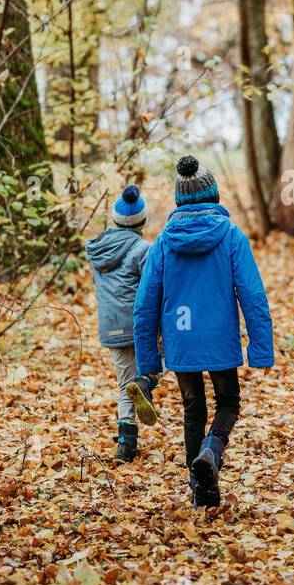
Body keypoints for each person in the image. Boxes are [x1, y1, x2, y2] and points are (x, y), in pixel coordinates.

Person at [132, 155, 274, 508]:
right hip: (218, 337)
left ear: (179, 201)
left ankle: (199, 488)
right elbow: (253, 295)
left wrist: (149, 361)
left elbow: (145, 304)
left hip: (181, 339)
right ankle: (211, 453)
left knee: (192, 407)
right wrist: (260, 349)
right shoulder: (230, 236)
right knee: (228, 404)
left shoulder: (164, 241)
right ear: (213, 194)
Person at [84, 185, 161, 463]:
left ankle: (126, 447)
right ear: (141, 221)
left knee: (123, 386)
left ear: (115, 219)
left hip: (110, 326)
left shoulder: (96, 249)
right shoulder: (144, 249)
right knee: (156, 364)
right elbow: (154, 288)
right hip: (139, 324)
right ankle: (146, 382)